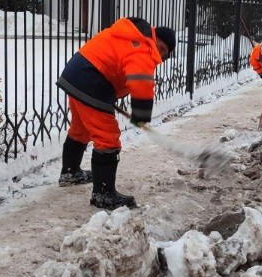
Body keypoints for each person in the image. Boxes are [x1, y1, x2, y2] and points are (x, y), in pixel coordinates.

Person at [56, 17, 176, 210]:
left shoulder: (131, 34)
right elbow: (141, 80)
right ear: (156, 36)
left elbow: (118, 65)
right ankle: (104, 195)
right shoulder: (144, 45)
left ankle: (70, 172)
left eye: (164, 54)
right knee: (108, 138)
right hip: (92, 79)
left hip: (77, 72)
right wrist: (141, 114)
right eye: (161, 48)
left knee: (81, 130)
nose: (159, 55)